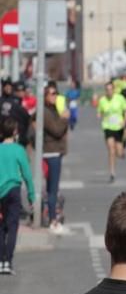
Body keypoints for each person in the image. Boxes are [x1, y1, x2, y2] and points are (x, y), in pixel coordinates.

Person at [0, 116, 35, 275]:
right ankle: (8, 261)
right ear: (15, 132)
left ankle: (0, 261)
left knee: (1, 227)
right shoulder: (19, 150)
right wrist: (31, 196)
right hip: (13, 191)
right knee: (12, 226)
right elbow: (27, 174)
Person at [40, 83, 69, 233]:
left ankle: (52, 216)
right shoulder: (45, 112)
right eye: (50, 93)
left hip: (54, 152)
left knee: (53, 188)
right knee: (52, 188)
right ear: (45, 96)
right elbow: (57, 130)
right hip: (50, 153)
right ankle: (53, 219)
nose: (54, 96)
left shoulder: (52, 110)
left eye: (55, 93)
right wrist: (64, 118)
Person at [97, 80, 126, 183]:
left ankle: (123, 146)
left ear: (114, 90)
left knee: (119, 153)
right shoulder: (102, 100)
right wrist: (99, 115)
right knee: (111, 150)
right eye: (107, 90)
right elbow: (99, 112)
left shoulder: (120, 98)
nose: (109, 91)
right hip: (108, 127)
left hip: (118, 127)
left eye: (111, 89)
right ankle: (112, 172)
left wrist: (124, 121)